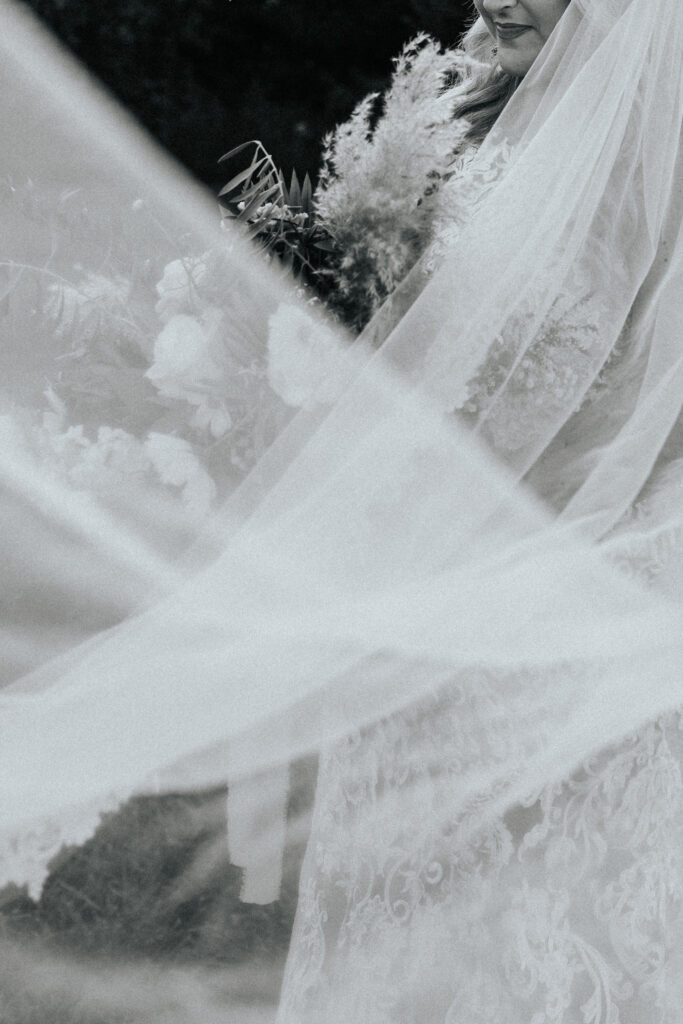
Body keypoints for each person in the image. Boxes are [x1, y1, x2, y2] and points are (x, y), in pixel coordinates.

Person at [0, 0, 682, 1022]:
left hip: (522, 645)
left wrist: (314, 449)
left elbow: (496, 439)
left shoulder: (584, 205)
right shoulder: (555, 154)